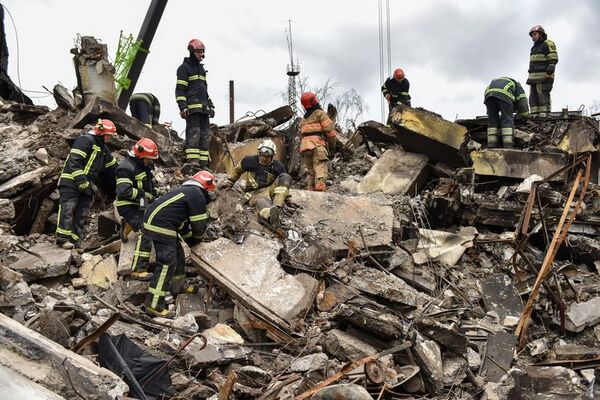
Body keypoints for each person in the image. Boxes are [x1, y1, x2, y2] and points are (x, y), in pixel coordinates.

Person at [142, 170, 216, 317]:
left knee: (179, 253)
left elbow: (181, 226)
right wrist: (198, 238)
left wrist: (191, 241)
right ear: (205, 187)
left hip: (158, 222)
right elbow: (199, 225)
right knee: (166, 263)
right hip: (161, 225)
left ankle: (178, 286)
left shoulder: (187, 192)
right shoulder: (197, 194)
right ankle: (154, 304)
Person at [56, 119, 118, 249]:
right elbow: (74, 162)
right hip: (71, 182)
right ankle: (62, 239)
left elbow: (113, 167)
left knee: (81, 213)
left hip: (87, 185)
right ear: (100, 132)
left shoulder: (103, 148)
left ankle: (74, 241)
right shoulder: (85, 140)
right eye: (108, 135)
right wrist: (81, 181)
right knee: (68, 208)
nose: (109, 138)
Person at [115, 138, 159, 279]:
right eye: (148, 159)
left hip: (140, 202)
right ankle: (138, 269)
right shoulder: (125, 168)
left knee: (150, 219)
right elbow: (124, 192)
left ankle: (127, 225)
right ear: (139, 155)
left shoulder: (143, 166)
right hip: (127, 205)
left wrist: (153, 194)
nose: (149, 161)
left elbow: (147, 185)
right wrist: (143, 194)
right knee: (146, 230)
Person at [221, 139, 291, 226]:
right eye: (262, 156)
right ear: (259, 153)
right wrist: (229, 182)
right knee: (261, 201)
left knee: (286, 176)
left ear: (272, 156)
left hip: (269, 191)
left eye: (267, 157)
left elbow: (283, 183)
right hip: (253, 194)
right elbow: (237, 170)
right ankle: (270, 215)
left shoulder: (278, 166)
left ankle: (277, 207)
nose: (264, 159)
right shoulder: (249, 161)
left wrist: (287, 200)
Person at [175, 39, 215, 171]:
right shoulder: (184, 68)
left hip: (203, 109)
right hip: (192, 108)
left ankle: (203, 164)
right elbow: (180, 90)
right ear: (192, 52)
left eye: (202, 51)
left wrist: (211, 105)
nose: (201, 54)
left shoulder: (201, 69)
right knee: (194, 132)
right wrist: (183, 107)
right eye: (198, 51)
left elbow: (204, 91)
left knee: (205, 135)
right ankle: (193, 161)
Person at [298, 92, 336, 191]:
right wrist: (332, 146)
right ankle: (320, 191)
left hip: (305, 147)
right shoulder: (320, 114)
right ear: (314, 100)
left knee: (311, 171)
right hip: (317, 144)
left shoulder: (303, 120)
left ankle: (310, 191)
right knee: (320, 168)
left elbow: (301, 134)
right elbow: (330, 131)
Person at [484, 77, 529, 149]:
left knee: (492, 120)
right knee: (507, 119)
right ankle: (508, 144)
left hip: (488, 95)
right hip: (504, 95)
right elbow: (522, 104)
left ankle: (491, 144)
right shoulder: (518, 87)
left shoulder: (499, 82)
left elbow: (490, 111)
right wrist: (525, 116)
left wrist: (490, 112)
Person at [526, 25, 558, 117]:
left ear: (541, 34)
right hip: (533, 78)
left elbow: (553, 59)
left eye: (535, 34)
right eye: (531, 35)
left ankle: (545, 116)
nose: (533, 37)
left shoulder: (548, 43)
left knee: (543, 97)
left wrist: (549, 73)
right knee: (533, 98)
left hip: (544, 77)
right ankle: (535, 116)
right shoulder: (534, 48)